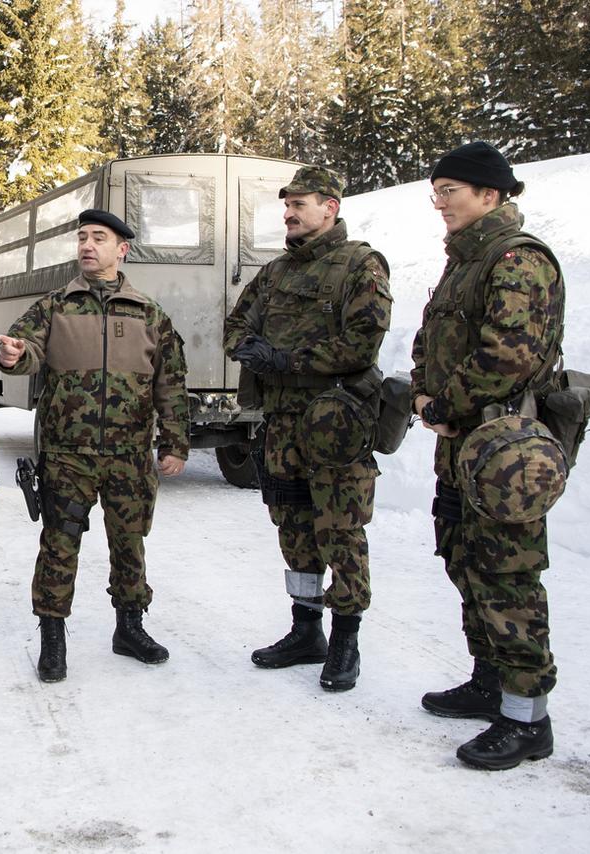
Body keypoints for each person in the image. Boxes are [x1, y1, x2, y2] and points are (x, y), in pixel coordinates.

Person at [411, 141, 564, 770]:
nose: (440, 202)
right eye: (436, 192)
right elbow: (430, 339)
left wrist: (444, 403)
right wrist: (425, 390)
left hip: (503, 450)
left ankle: (528, 721)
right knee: (464, 561)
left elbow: (510, 354)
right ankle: (488, 681)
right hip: (463, 448)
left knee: (507, 578)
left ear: (491, 196)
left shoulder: (516, 261)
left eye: (451, 190)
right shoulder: (465, 263)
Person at [0, 209, 189, 684]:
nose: (87, 245)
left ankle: (130, 628)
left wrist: (176, 442)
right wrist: (13, 356)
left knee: (129, 545)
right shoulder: (56, 306)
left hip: (129, 456)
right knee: (59, 547)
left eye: (98, 238)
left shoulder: (148, 314)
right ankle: (53, 637)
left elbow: (171, 383)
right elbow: (25, 351)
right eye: (82, 238)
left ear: (121, 249)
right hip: (67, 456)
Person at [223, 166, 391, 693]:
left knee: (340, 531)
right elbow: (235, 325)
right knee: (293, 527)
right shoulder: (274, 273)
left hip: (334, 424)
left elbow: (363, 343)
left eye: (299, 204)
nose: (289, 213)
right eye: (286, 205)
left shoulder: (361, 264)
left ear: (330, 207)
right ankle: (305, 630)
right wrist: (249, 349)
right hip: (281, 426)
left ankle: (345, 643)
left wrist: (288, 359)